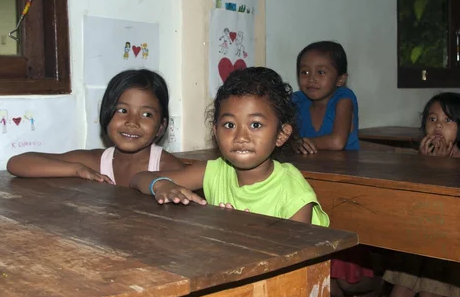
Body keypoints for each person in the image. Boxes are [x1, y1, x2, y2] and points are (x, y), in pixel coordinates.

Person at [130, 67, 329, 226]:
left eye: (256, 125)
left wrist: (251, 236)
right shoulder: (215, 171)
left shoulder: (292, 189)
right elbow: (138, 178)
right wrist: (161, 184)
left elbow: (300, 257)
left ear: (281, 134)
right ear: (216, 132)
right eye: (229, 125)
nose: (241, 136)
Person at [380, 92, 460, 297]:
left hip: (450, 245)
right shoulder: (420, 158)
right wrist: (425, 165)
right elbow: (411, 197)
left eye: (448, 121)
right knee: (401, 291)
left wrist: (441, 167)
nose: (438, 126)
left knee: (430, 295)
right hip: (418, 240)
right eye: (432, 119)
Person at [7, 69, 184, 186]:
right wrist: (76, 170)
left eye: (146, 114)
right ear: (106, 114)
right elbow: (17, 163)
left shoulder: (169, 168)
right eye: (122, 110)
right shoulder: (95, 162)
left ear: (161, 127)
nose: (132, 122)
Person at [293, 41, 360, 154]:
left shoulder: (344, 98)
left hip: (344, 168)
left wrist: (300, 143)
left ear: (340, 79)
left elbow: (337, 142)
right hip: (308, 168)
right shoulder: (297, 100)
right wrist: (293, 143)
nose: (311, 79)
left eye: (321, 72)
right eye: (305, 72)